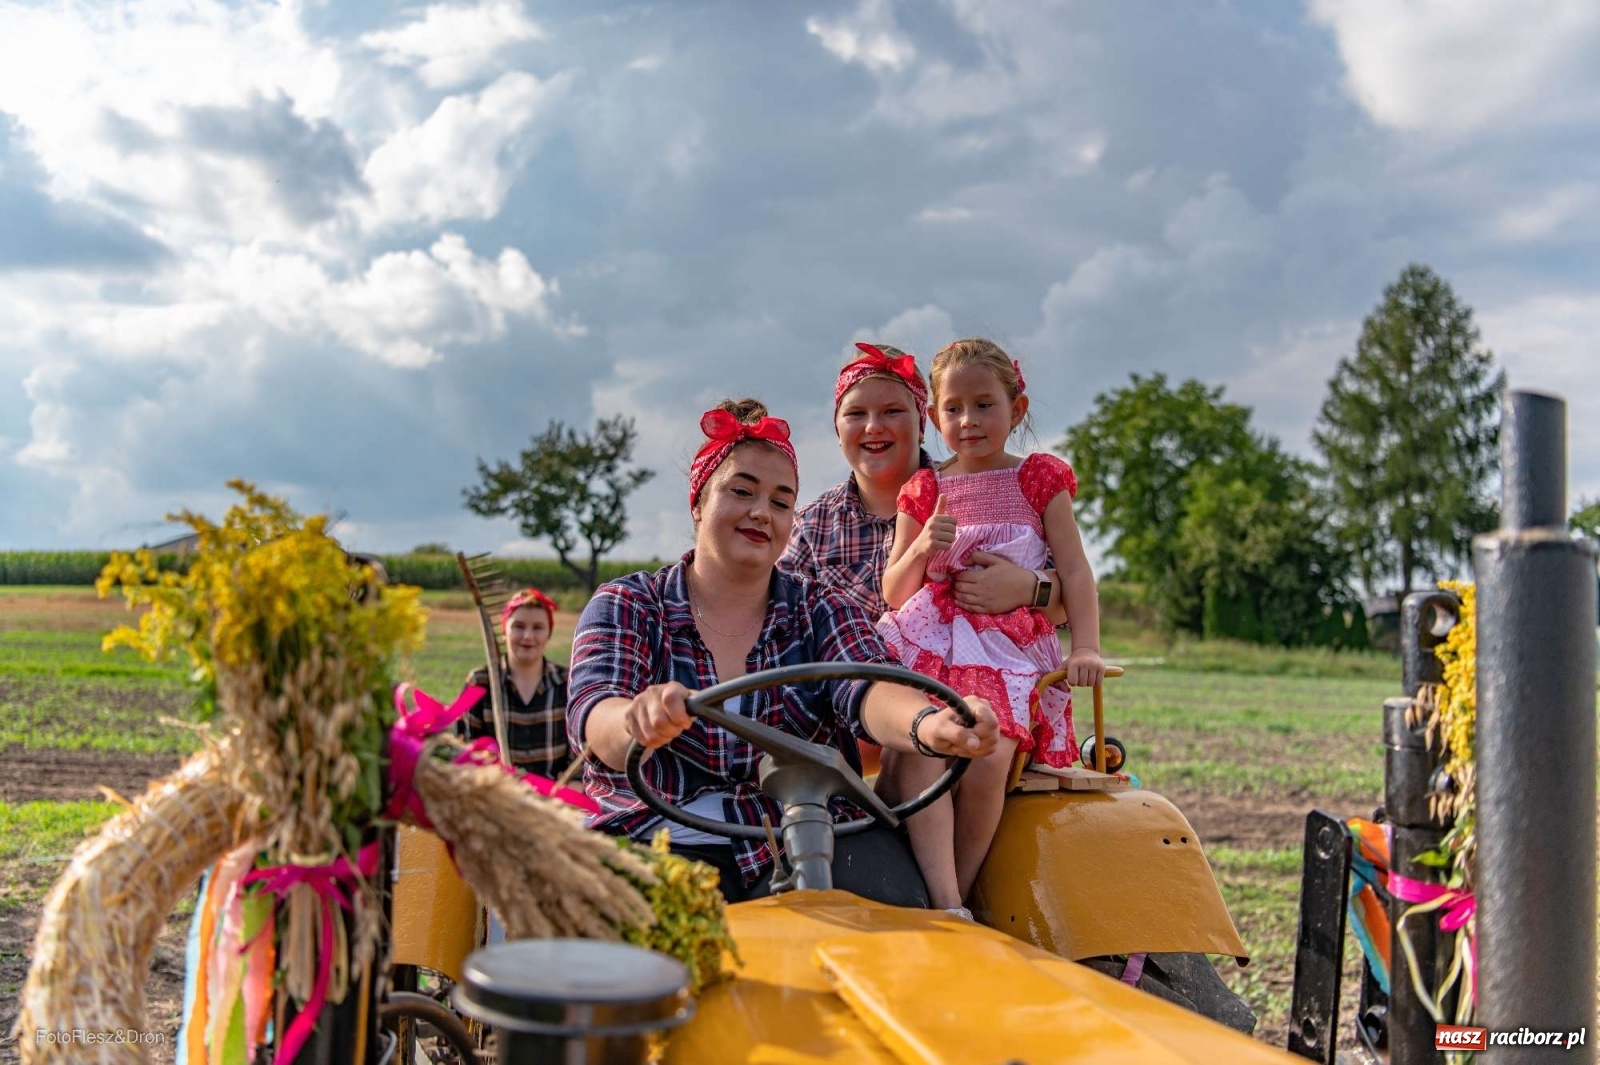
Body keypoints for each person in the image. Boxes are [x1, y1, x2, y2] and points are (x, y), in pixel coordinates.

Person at [567, 398, 999, 905]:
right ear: (698, 503)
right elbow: (595, 715)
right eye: (741, 491)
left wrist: (928, 723)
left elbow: (868, 685)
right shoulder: (630, 605)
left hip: (806, 832)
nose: (761, 512)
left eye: (780, 501)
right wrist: (635, 721)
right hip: (656, 835)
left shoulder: (818, 608)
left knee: (895, 912)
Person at [876, 338, 1105, 915]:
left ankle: (961, 889)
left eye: (984, 405)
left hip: (1008, 654)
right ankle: (935, 895)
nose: (968, 421)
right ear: (935, 418)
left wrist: (1087, 648)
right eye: (953, 409)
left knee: (989, 755)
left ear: (1016, 410)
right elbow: (894, 592)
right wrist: (923, 546)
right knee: (922, 746)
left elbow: (1076, 571)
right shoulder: (924, 490)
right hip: (938, 648)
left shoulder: (1038, 480)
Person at [781, 341, 1069, 628]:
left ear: (923, 424)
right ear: (837, 429)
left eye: (892, 411)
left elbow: (1070, 602)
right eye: (855, 413)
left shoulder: (990, 491)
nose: (873, 427)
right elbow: (782, 628)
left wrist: (1030, 587)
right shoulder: (810, 527)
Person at [458, 587, 573, 780]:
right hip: (496, 791)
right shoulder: (479, 682)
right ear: (504, 630)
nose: (528, 636)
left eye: (538, 628)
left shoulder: (567, 682)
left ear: (549, 633)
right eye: (519, 626)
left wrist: (574, 780)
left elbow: (581, 748)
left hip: (555, 794)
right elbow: (462, 744)